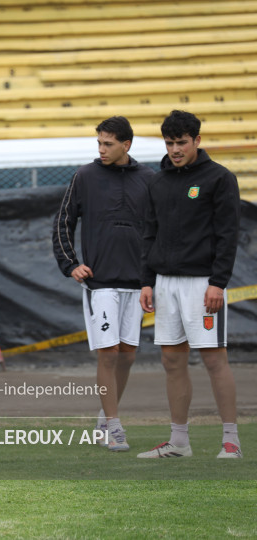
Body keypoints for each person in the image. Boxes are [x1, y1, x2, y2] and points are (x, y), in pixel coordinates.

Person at [138, 110, 241, 459]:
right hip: (165, 284)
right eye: (170, 143)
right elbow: (149, 234)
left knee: (214, 360)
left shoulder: (219, 178)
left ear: (197, 140)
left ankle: (231, 441)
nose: (175, 149)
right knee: (171, 360)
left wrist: (218, 282)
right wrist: (147, 282)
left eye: (181, 142)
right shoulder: (157, 182)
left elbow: (228, 235)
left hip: (203, 284)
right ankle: (179, 442)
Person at [52, 116, 154, 452]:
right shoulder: (85, 175)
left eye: (108, 144)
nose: (102, 149)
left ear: (127, 145)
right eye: (99, 143)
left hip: (136, 283)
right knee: (108, 354)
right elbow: (63, 222)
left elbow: (157, 231)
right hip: (101, 283)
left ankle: (103, 419)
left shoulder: (148, 179)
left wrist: (150, 279)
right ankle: (114, 426)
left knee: (128, 355)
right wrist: (70, 264)